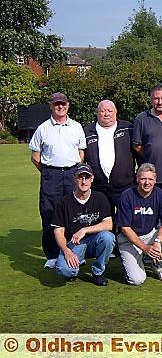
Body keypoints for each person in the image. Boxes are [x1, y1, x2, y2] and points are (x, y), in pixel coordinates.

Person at [29, 92, 86, 269]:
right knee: (49, 213)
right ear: (51, 106)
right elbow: (35, 156)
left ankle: (75, 252)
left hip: (72, 174)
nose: (60, 107)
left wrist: (73, 172)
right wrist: (48, 172)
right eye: (56, 104)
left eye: (63, 104)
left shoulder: (76, 127)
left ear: (68, 105)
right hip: (51, 175)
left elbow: (81, 153)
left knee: (73, 214)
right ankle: (52, 255)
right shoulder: (43, 128)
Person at [116, 163, 162, 285]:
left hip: (150, 234)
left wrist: (157, 242)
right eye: (143, 179)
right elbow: (125, 228)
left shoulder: (161, 195)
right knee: (136, 280)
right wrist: (145, 248)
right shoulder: (127, 195)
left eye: (150, 179)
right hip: (129, 240)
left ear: (155, 180)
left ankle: (159, 266)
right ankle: (136, 260)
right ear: (137, 179)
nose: (147, 183)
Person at [52, 164, 115, 286]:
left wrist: (85, 230)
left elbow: (108, 224)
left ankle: (98, 273)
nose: (84, 181)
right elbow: (58, 231)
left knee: (108, 237)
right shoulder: (64, 201)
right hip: (74, 244)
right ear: (74, 179)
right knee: (65, 271)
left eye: (87, 177)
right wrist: (66, 251)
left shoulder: (100, 198)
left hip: (94, 241)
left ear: (92, 179)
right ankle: (73, 270)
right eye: (80, 177)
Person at [84, 99, 135, 214]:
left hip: (125, 186)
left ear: (116, 112)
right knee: (104, 223)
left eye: (109, 111)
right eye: (102, 111)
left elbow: (138, 152)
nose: (106, 114)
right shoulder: (87, 131)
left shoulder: (128, 128)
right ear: (97, 113)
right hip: (98, 187)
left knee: (127, 220)